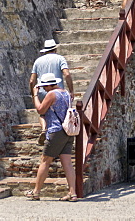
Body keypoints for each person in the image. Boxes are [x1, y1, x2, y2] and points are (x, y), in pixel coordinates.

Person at [25, 73, 78, 202]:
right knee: (67, 163)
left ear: (49, 85)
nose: (44, 89)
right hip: (68, 131)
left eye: (44, 86)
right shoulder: (65, 93)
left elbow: (40, 110)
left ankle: (36, 192)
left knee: (45, 160)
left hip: (56, 131)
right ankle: (72, 193)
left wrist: (35, 95)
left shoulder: (51, 94)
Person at [29, 39, 74, 145]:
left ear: (45, 50)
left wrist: (33, 94)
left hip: (42, 89)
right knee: (60, 114)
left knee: (42, 113)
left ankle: (44, 129)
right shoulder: (60, 59)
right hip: (56, 92)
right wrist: (71, 90)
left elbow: (32, 80)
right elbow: (67, 74)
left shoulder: (38, 61)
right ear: (55, 49)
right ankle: (60, 137)